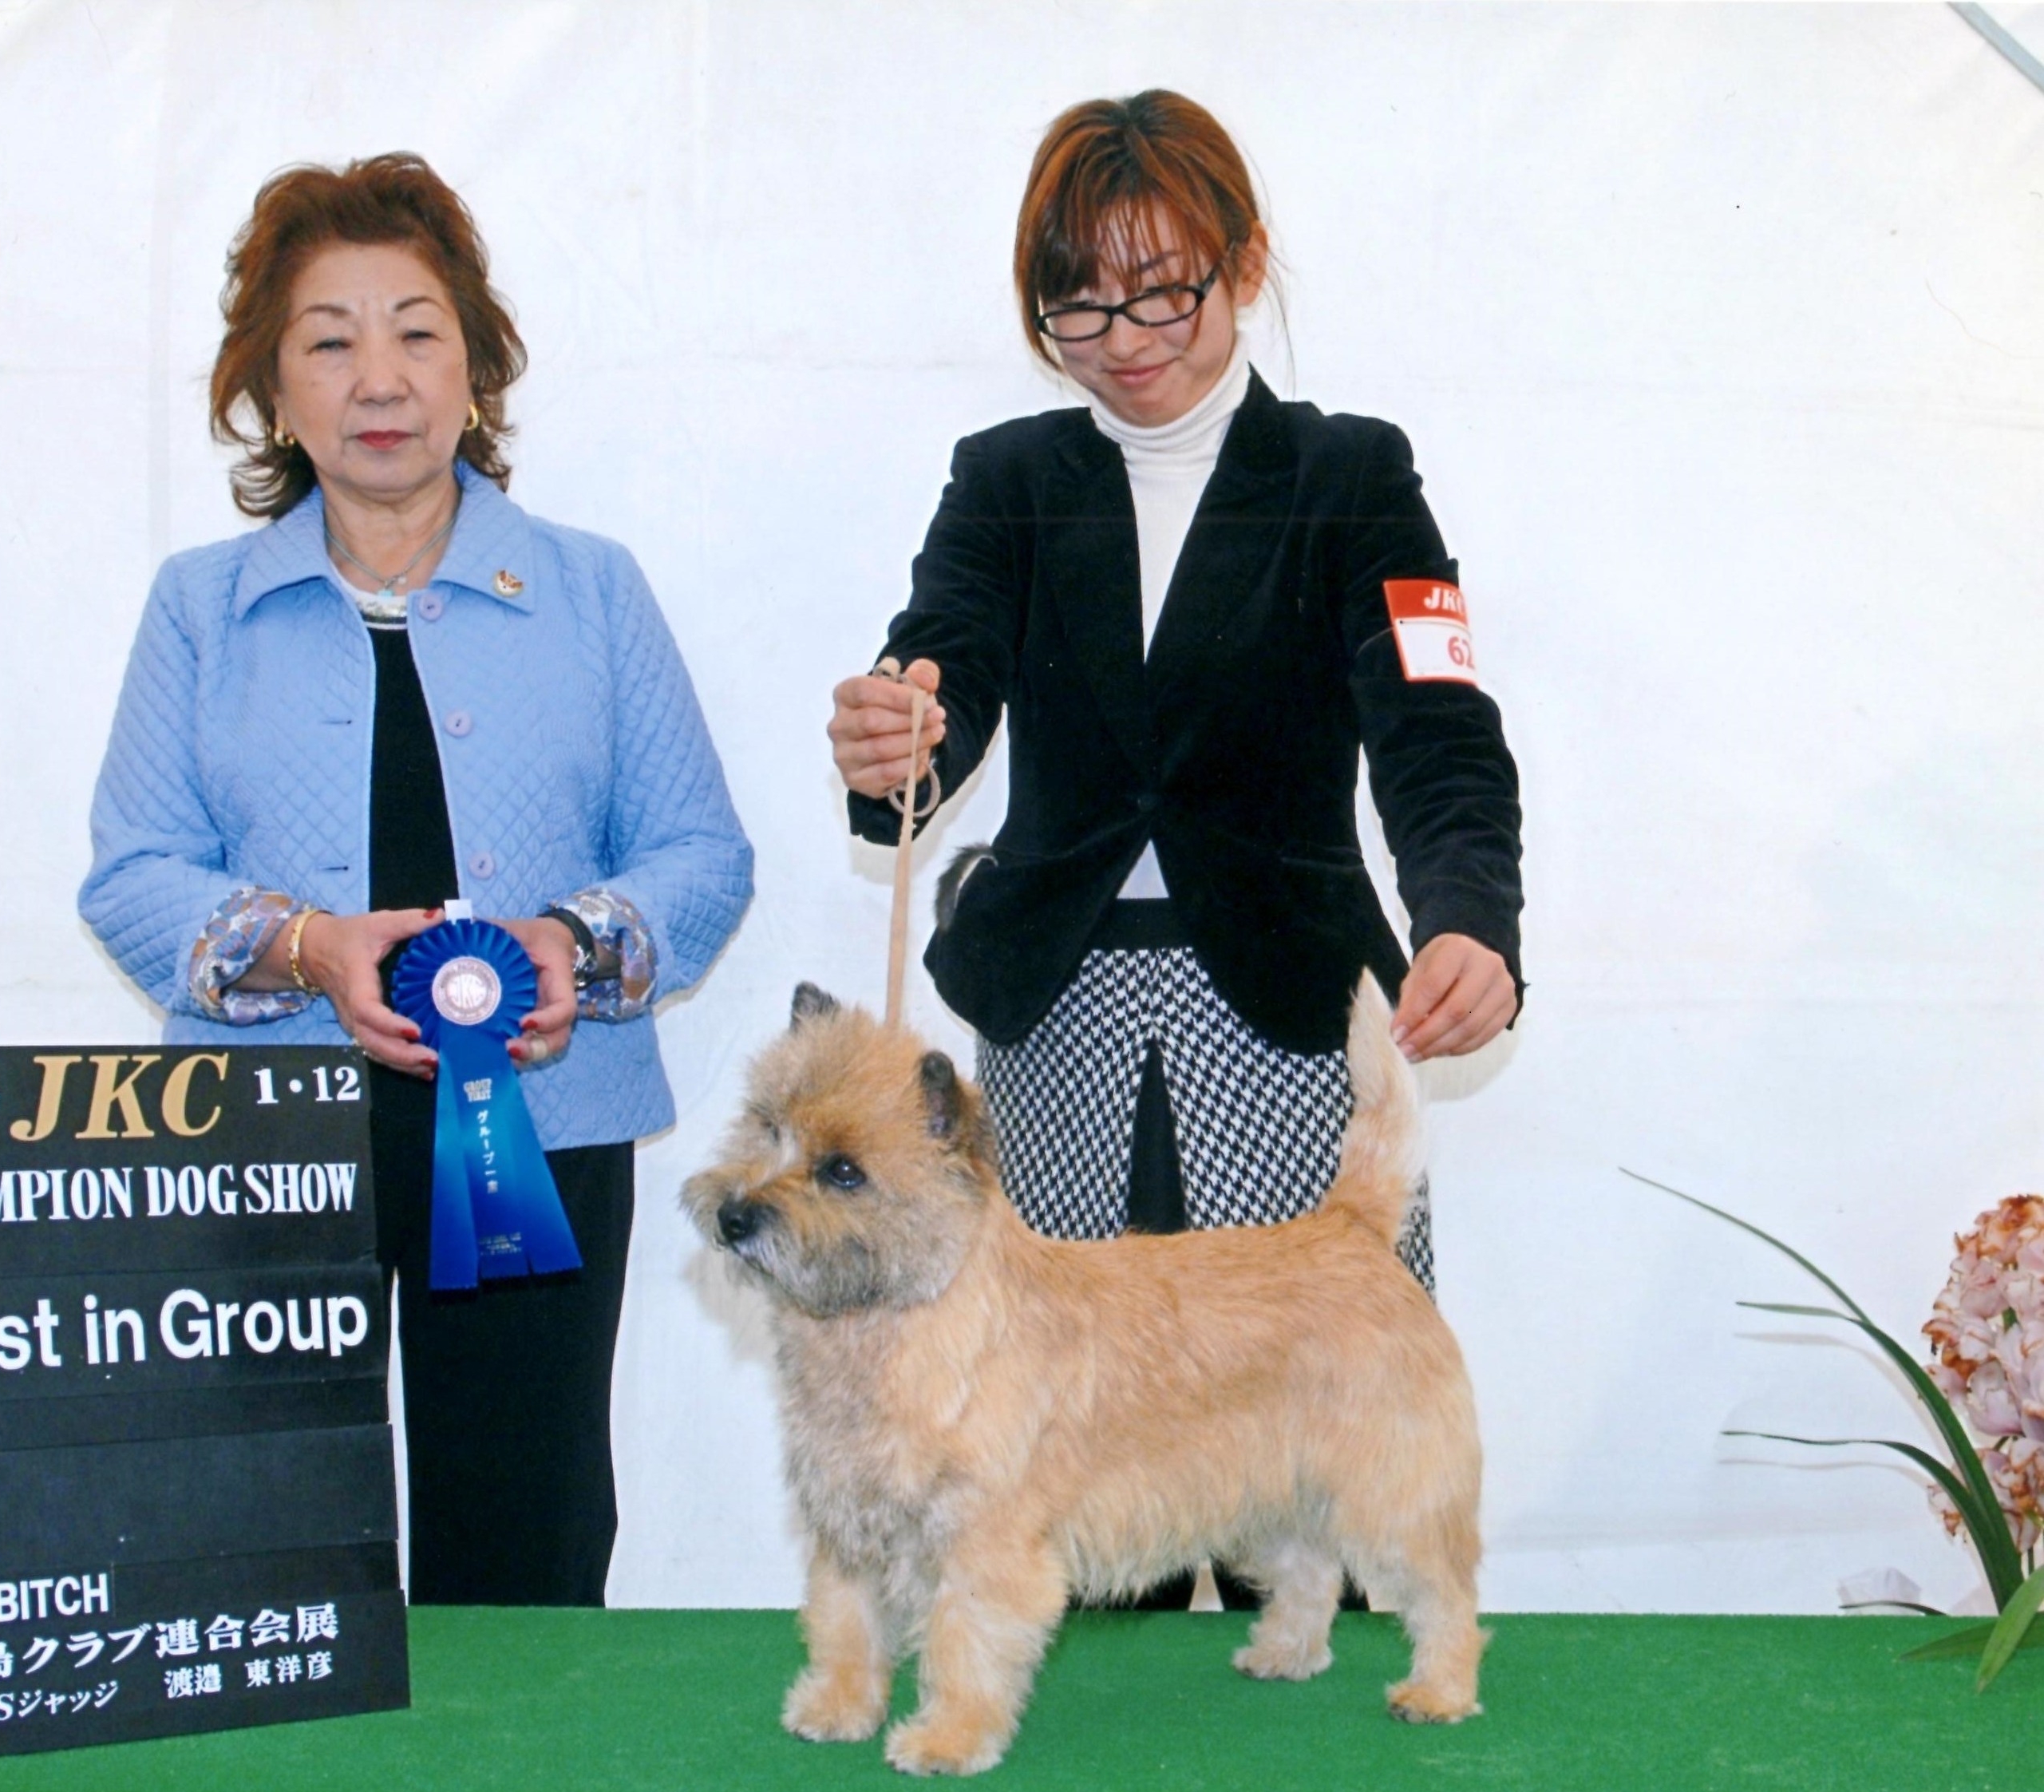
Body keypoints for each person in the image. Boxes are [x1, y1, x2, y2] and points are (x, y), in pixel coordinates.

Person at [827, 92, 1523, 1600]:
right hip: (1059, 1020)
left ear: (1245, 263)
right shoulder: (1006, 481)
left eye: (1160, 294)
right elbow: (941, 669)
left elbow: (1437, 725)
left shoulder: (1353, 477)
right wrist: (894, 731)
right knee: (1061, 1449)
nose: (1122, 338)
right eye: (1075, 305)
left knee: (1324, 1443)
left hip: (1286, 1009)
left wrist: (1469, 916)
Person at [81, 153, 752, 1607]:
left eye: (417, 333)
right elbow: (131, 876)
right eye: (329, 341)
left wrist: (579, 944)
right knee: (263, 1543)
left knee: (521, 1533)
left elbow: (703, 854)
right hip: (265, 1132)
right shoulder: (201, 608)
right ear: (272, 389)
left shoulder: (592, 590)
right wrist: (305, 948)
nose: (378, 378)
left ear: (476, 369)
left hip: (537, 1125)